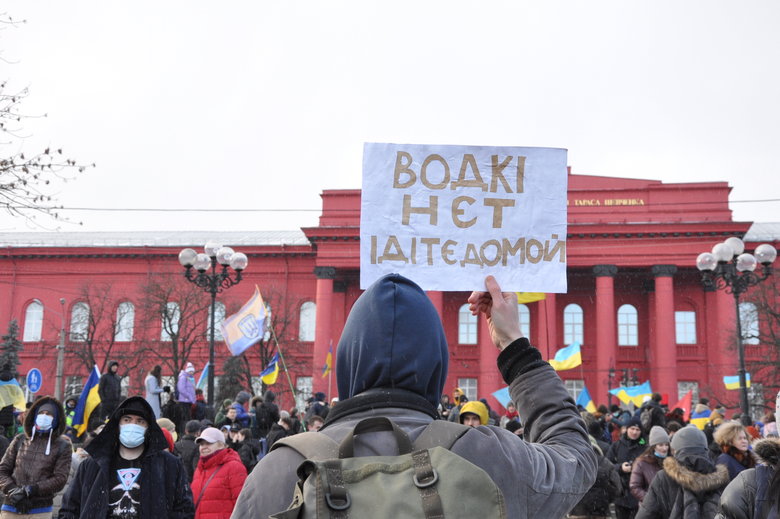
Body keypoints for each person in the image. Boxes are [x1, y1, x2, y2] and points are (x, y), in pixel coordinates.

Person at [230, 274, 597, 518]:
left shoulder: (277, 471)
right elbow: (577, 458)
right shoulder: (488, 455)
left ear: (346, 361)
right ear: (437, 363)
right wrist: (515, 348)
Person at [59, 396, 194, 518]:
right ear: (117, 425)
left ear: (149, 427)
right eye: (127, 420)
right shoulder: (92, 466)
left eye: (140, 421)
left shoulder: (169, 465)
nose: (133, 425)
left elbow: (184, 509)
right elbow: (70, 509)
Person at [636, 425, 729, 518]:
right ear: (705, 448)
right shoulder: (721, 479)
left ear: (675, 450)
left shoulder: (664, 477)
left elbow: (646, 515)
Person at [0, 396, 72, 517]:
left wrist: (31, 490)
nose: (44, 416)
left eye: (49, 414)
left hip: (40, 510)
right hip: (11, 507)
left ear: (56, 419)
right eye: (41, 413)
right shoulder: (20, 439)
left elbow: (60, 478)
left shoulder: (63, 445)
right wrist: (12, 490)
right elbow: (2, 470)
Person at [717, 393, 779, 519]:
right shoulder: (725, 460)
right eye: (739, 438)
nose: (744, 441)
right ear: (729, 440)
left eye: (745, 437)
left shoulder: (750, 458)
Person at [191, 427, 246, 519]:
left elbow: (242, 505)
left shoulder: (234, 467)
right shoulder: (199, 469)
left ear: (221, 445)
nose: (204, 447)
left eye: (209, 443)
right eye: (201, 444)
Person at [606, 415, 647, 519]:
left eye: (637, 429)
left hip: (639, 494)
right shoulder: (617, 445)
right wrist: (620, 468)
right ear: (627, 429)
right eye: (632, 429)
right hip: (621, 494)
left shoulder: (645, 447)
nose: (634, 432)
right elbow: (607, 465)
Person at [630, 426, 670, 503]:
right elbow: (635, 487)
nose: (665, 448)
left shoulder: (672, 461)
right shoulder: (642, 463)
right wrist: (651, 500)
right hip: (650, 509)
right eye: (660, 445)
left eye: (666, 445)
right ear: (653, 447)